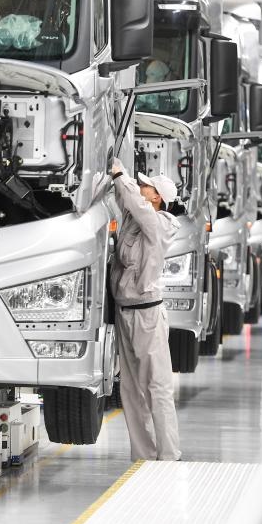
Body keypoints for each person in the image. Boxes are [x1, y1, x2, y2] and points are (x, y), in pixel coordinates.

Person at [110, 159, 182, 461]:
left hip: (147, 314)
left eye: (147, 186)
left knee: (157, 386)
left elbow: (138, 206)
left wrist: (121, 174)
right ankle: (144, 456)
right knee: (131, 389)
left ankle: (169, 455)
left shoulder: (162, 223)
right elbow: (125, 201)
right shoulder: (134, 219)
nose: (141, 186)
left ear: (157, 197)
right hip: (125, 310)